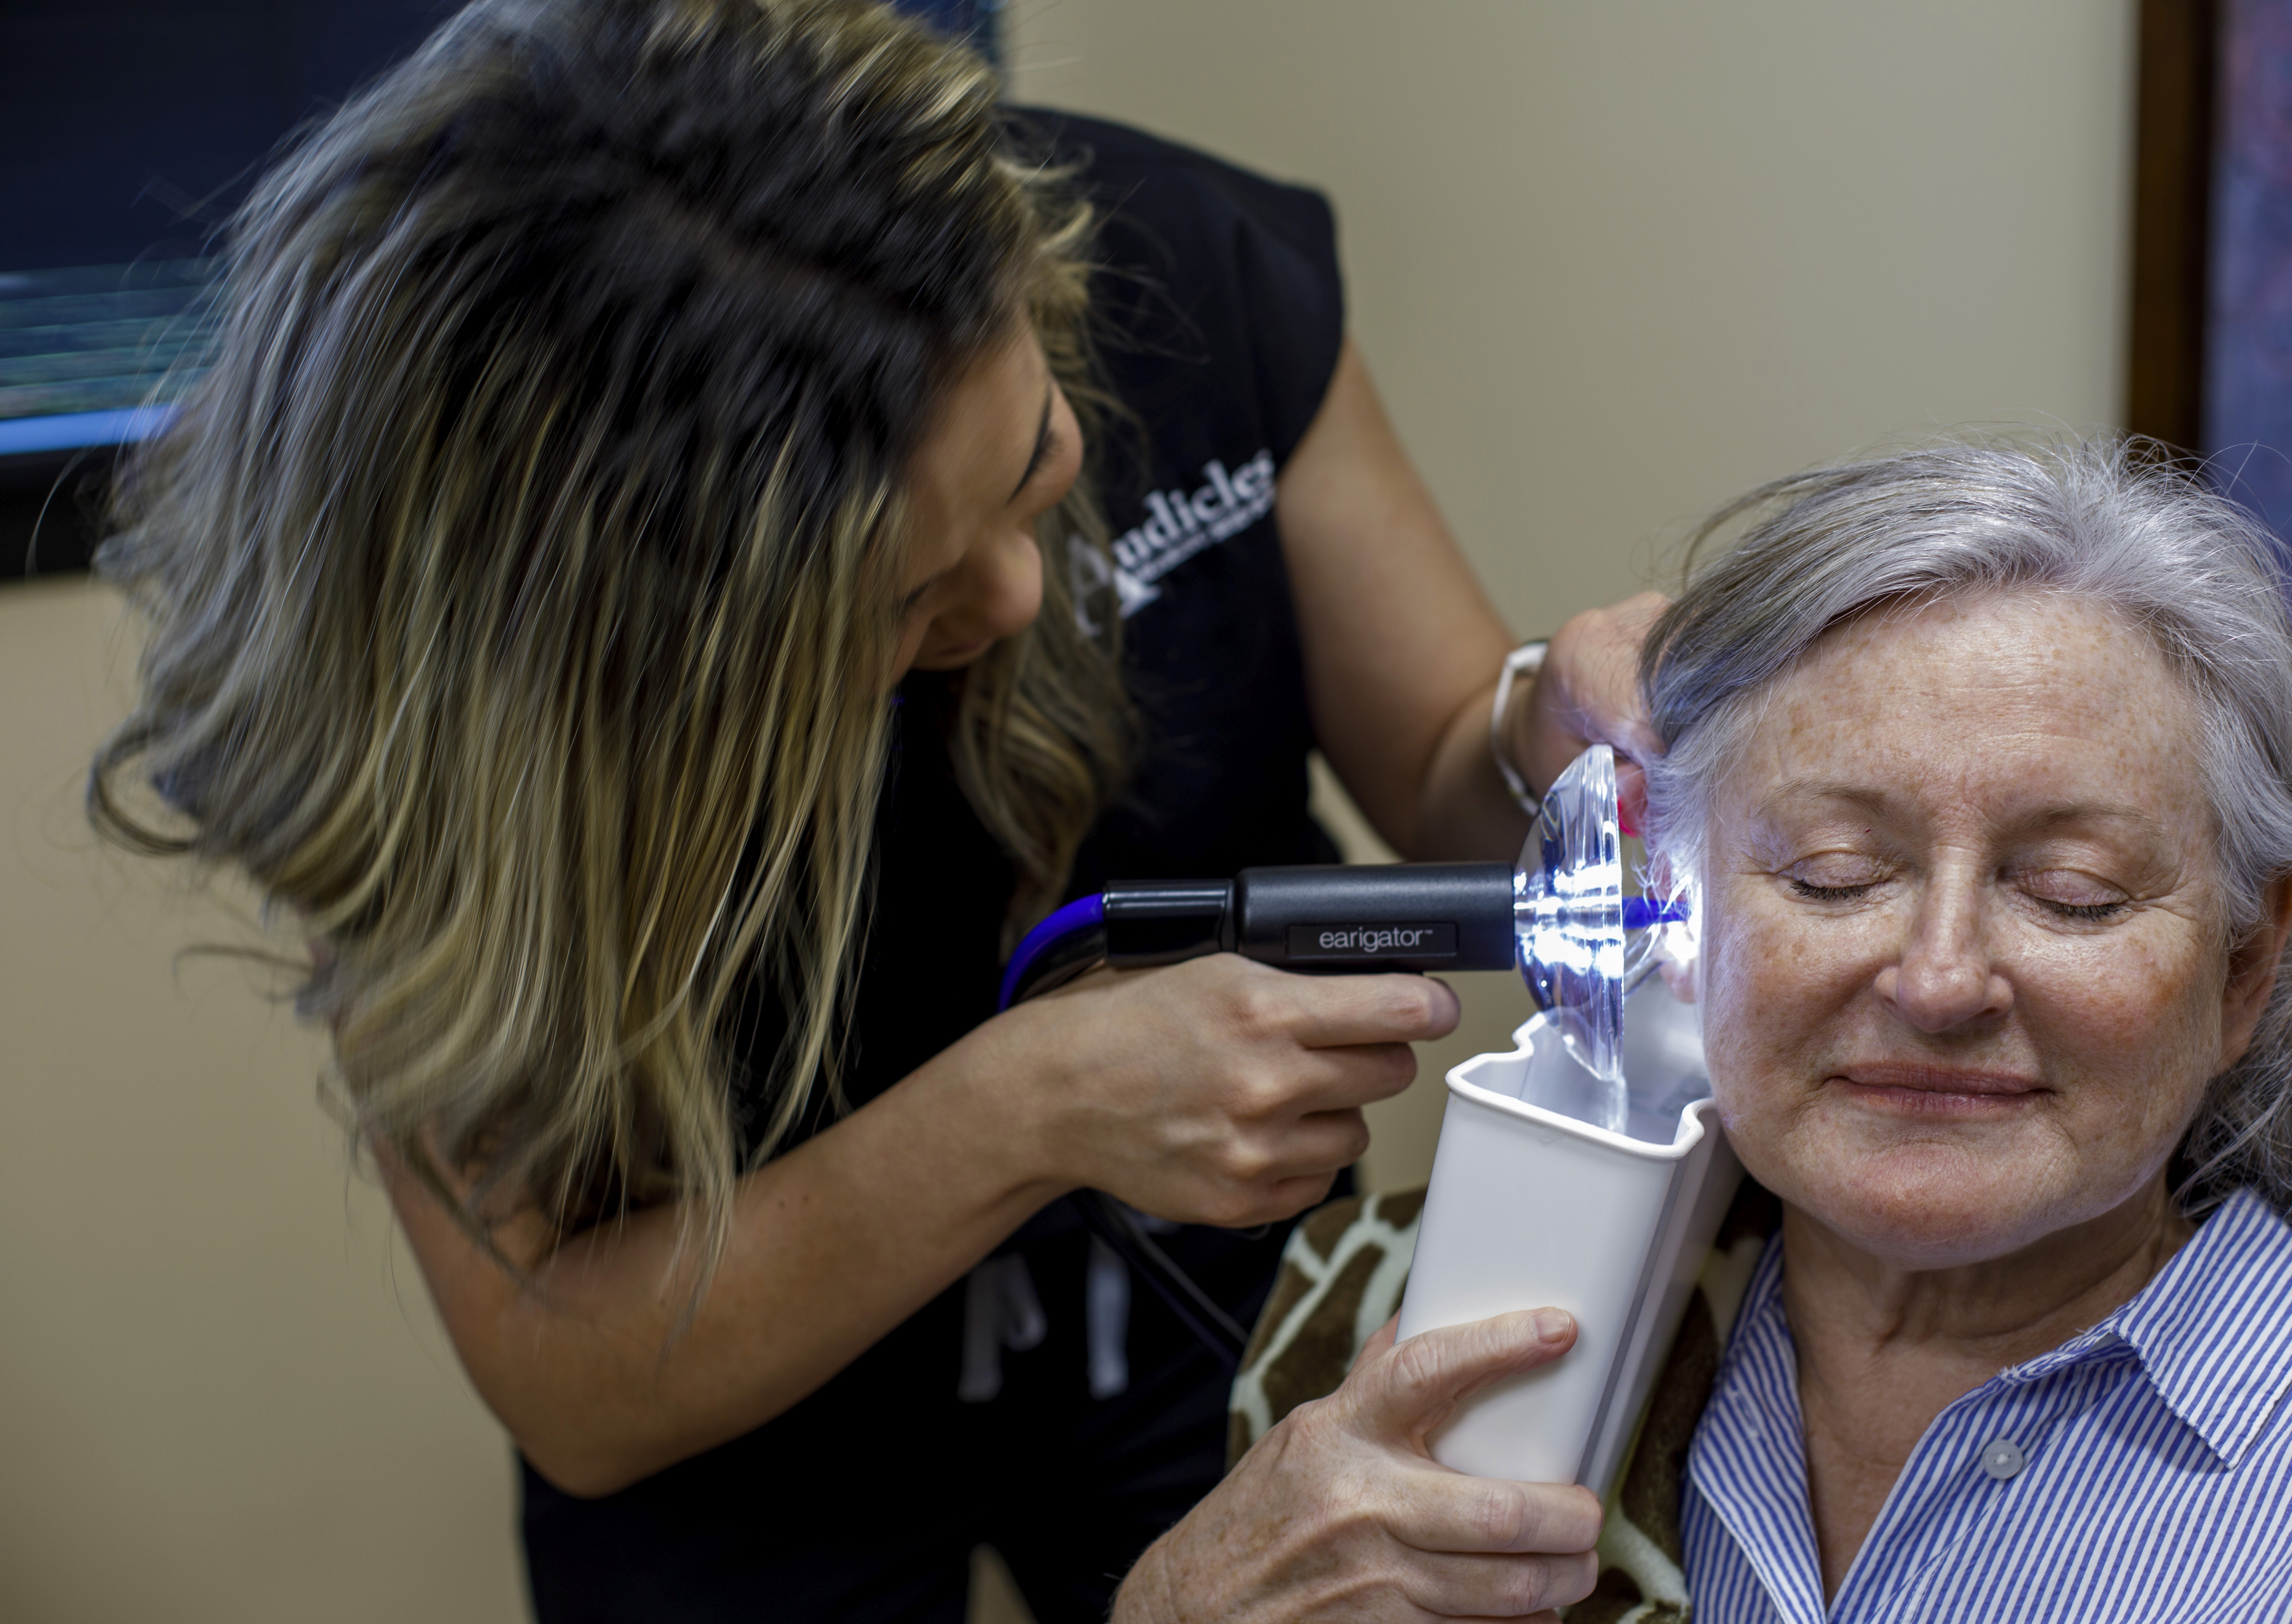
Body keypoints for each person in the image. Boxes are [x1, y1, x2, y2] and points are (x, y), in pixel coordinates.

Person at [86, 1, 1660, 1618]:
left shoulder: (1173, 260)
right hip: (721, 1374)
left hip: (1210, 1308)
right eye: (899, 605)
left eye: (1040, 463)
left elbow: (1442, 770)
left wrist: (1542, 723)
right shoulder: (428, 693)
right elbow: (574, 1376)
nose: (1021, 589)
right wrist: (1031, 1102)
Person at [1114, 437, 2292, 1622]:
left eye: (2068, 893)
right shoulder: (1418, 1350)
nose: (1938, 979)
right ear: (1680, 923)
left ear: (2246, 964)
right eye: (1833, 875)